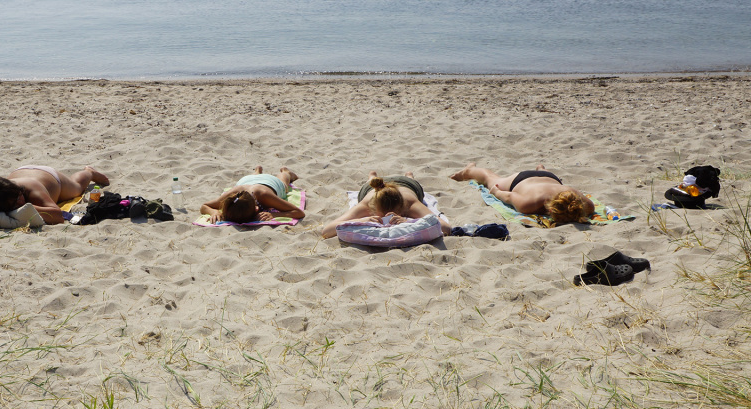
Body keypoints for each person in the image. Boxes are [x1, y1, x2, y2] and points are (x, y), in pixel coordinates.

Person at [0, 165, 110, 225]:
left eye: (19, 196)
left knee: (76, 187)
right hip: (21, 172)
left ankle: (89, 172)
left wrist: (28, 206)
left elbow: (57, 215)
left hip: (50, 178)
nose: (21, 201)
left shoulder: (30, 190)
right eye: (15, 202)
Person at [450, 162, 594, 224]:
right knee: (490, 179)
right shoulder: (529, 204)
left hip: (550, 178)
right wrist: (496, 191)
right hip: (522, 180)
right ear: (550, 211)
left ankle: (541, 169)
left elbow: (511, 196)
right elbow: (509, 196)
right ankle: (468, 171)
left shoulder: (585, 203)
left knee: (544, 173)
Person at [322, 171, 452, 239]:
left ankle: (409, 176)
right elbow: (327, 231)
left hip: (406, 184)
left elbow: (446, 227)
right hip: (373, 187)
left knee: (412, 181)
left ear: (402, 208)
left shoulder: (410, 203)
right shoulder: (366, 205)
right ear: (372, 209)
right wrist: (362, 220)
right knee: (372, 182)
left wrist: (407, 221)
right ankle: (372, 176)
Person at [200, 166, 305, 224]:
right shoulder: (232, 197)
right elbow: (204, 206)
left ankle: (286, 172)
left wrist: (274, 215)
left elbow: (299, 213)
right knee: (253, 178)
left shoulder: (265, 196)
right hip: (247, 180)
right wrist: (214, 211)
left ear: (256, 209)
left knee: (284, 184)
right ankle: (257, 171)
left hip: (269, 182)